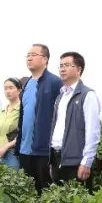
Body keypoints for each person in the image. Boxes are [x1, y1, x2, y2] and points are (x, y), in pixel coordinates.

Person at [49, 52, 101, 188]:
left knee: (77, 199)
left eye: (67, 65)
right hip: (56, 158)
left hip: (76, 162)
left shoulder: (87, 95)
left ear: (78, 70)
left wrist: (86, 162)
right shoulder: (60, 97)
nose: (62, 69)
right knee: (57, 199)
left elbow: (93, 131)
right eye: (60, 66)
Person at [17, 44, 63, 192]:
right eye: (28, 55)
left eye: (33, 55)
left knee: (45, 192)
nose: (29, 58)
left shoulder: (55, 82)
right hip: (25, 150)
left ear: (45, 59)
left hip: (44, 151)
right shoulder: (26, 84)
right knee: (27, 192)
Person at [0, 77, 23, 169]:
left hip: (13, 154)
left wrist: (6, 147)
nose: (8, 91)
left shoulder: (22, 109)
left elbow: (23, 133)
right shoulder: (2, 111)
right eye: (5, 88)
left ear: (19, 90)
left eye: (11, 88)